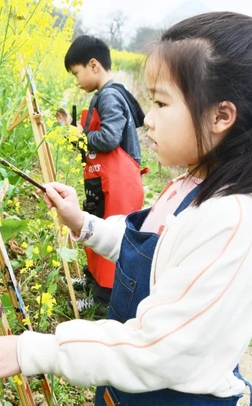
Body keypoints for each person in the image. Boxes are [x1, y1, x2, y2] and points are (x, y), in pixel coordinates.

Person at [0, 7, 252, 406]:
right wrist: (83, 223)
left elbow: (154, 348)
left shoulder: (224, 219)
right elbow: (146, 246)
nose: (148, 121)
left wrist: (33, 351)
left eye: (161, 104)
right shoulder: (190, 185)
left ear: (220, 116)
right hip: (132, 387)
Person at [59, 35, 146, 314]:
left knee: (111, 237)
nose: (76, 80)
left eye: (76, 73)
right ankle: (91, 282)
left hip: (119, 184)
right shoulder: (105, 95)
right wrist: (75, 129)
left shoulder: (109, 95)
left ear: (93, 65)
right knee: (95, 229)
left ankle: (103, 300)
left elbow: (108, 138)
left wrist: (78, 134)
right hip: (107, 179)